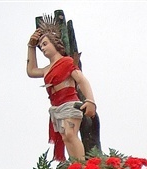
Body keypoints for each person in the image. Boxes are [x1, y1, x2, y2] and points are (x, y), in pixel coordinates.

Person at [27, 19, 96, 161]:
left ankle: (81, 165)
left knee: (70, 134)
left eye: (45, 44)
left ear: (55, 44)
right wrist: (31, 47)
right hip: (56, 108)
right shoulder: (47, 69)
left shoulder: (67, 61)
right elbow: (31, 71)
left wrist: (90, 101)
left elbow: (81, 80)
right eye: (41, 46)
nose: (43, 48)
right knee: (65, 136)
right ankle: (75, 165)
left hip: (70, 103)